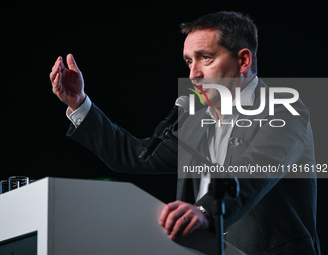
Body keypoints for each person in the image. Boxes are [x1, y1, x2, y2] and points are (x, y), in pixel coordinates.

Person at [50, 11, 320, 255]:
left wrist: (205, 210)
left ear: (243, 60)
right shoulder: (196, 124)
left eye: (205, 58)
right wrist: (79, 103)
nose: (194, 74)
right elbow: (134, 155)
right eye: (189, 62)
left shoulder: (284, 110)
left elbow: (257, 167)